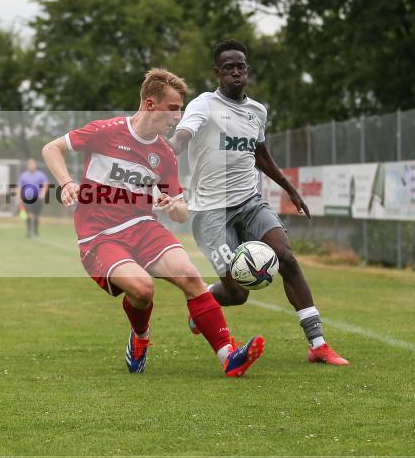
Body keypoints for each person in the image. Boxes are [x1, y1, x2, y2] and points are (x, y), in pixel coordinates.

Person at [42, 68, 265, 377]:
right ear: (149, 104)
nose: (178, 117)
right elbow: (51, 148)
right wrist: (66, 183)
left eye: (181, 110)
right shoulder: (106, 131)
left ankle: (229, 356)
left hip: (144, 228)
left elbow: (181, 212)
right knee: (143, 290)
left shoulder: (165, 155)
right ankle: (141, 337)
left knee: (190, 275)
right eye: (172, 109)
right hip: (100, 236)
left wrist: (174, 204)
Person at [168, 39, 349, 366]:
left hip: (250, 202)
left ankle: (318, 344)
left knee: (287, 258)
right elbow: (183, 135)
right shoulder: (204, 105)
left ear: (247, 70)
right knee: (238, 294)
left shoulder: (257, 111)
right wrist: (168, 153)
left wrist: (289, 188)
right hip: (211, 213)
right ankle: (205, 299)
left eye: (241, 67)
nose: (236, 73)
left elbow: (259, 154)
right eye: (228, 68)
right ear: (217, 73)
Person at [17, 158, 48, 238]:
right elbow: (19, 187)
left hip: (38, 198)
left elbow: (45, 184)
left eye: (33, 164)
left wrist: (43, 193)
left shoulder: (40, 174)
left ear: (35, 165)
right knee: (29, 214)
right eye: (30, 164)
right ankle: (28, 230)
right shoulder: (23, 175)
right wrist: (19, 197)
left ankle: (35, 230)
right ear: (27, 166)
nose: (31, 166)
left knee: (36, 215)